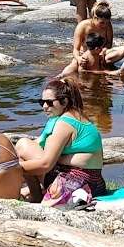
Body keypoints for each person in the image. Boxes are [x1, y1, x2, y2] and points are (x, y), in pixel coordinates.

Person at [16, 77, 106, 205]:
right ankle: (35, 194)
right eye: (41, 102)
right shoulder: (78, 116)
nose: (45, 107)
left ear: (64, 101)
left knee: (22, 145)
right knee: (23, 146)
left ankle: (36, 196)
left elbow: (45, 164)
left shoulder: (64, 123)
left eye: (50, 102)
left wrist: (12, 168)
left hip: (76, 183)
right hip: (96, 183)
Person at [70, 0, 124, 68]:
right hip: (85, 55)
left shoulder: (108, 25)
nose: (104, 25)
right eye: (102, 23)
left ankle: (102, 64)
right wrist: (78, 58)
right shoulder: (82, 26)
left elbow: (109, 43)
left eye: (107, 22)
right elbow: (75, 49)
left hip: (101, 54)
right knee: (72, 67)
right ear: (95, 18)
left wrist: (104, 50)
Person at [58, 32, 124, 78]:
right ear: (96, 48)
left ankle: (118, 73)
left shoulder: (98, 55)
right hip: (88, 79)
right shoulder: (85, 57)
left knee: (109, 75)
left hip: (97, 74)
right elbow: (81, 71)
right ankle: (118, 72)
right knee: (107, 73)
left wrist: (103, 69)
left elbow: (101, 66)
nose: (102, 49)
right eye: (101, 47)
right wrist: (101, 72)